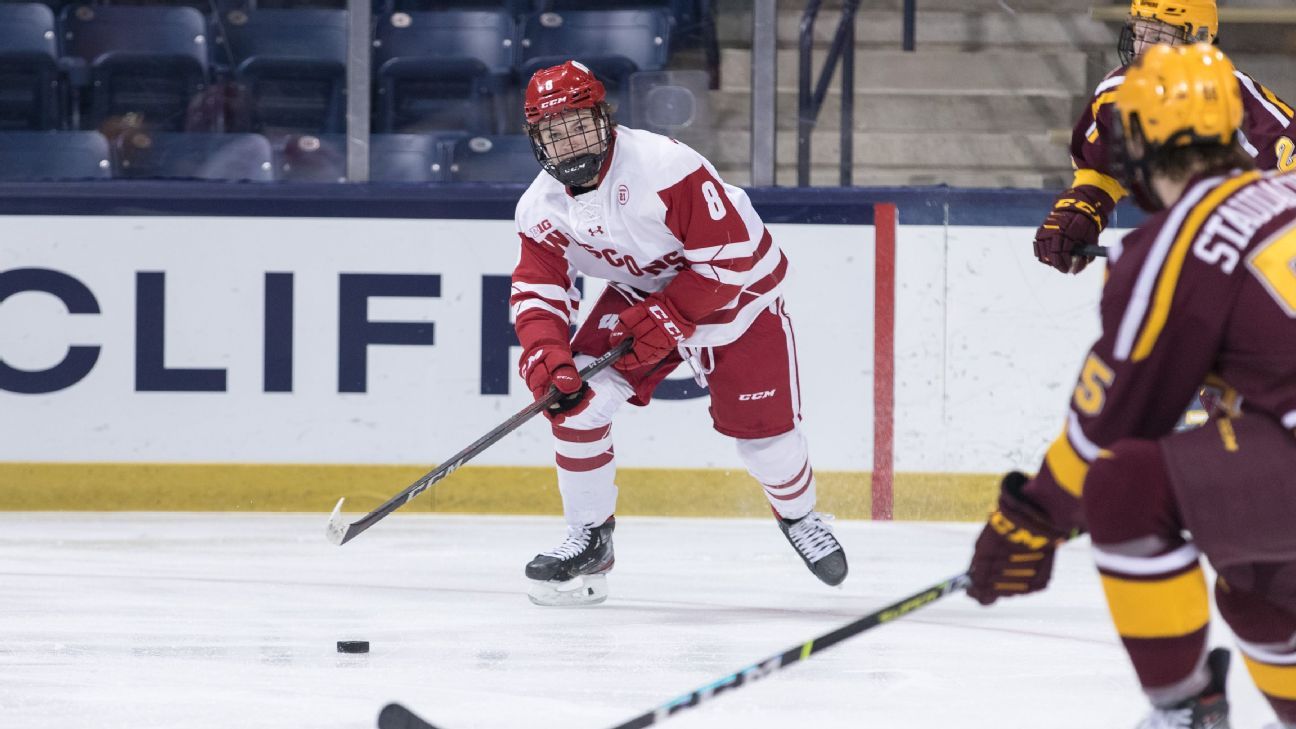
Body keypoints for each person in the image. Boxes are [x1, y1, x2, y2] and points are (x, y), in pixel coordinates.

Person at [966, 43, 1296, 728]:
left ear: (1137, 152)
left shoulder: (1179, 242)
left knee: (1128, 483)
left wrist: (1030, 519)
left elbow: (1108, 423)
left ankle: (1183, 709)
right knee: (1256, 586)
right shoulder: (1284, 192)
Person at [509, 60, 848, 607]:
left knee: (766, 441)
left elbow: (729, 259)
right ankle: (591, 538)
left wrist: (670, 317)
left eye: (579, 123)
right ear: (536, 139)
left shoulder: (664, 165)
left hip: (737, 292)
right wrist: (546, 355)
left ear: (604, 118)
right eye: (554, 131)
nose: (569, 141)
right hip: (644, 291)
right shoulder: (539, 207)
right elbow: (538, 291)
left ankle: (799, 516)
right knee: (575, 405)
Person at [1032, 0, 1295, 276]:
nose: (1142, 49)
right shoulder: (1115, 96)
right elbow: (1101, 170)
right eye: (1139, 34)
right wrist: (1081, 211)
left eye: (1157, 38)